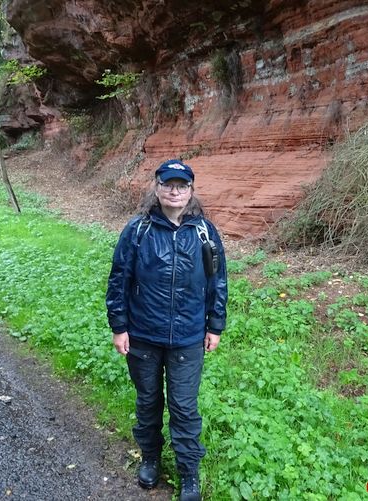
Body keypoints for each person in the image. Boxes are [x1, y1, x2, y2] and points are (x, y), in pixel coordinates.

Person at [106, 159, 228, 501]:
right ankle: (150, 459)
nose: (175, 191)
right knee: (148, 401)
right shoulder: (137, 230)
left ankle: (189, 472)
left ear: (191, 191)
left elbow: (218, 282)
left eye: (182, 185)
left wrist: (214, 325)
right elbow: (119, 280)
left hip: (188, 337)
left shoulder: (204, 232)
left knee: (184, 406)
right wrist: (119, 327)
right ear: (156, 188)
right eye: (168, 184)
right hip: (143, 334)